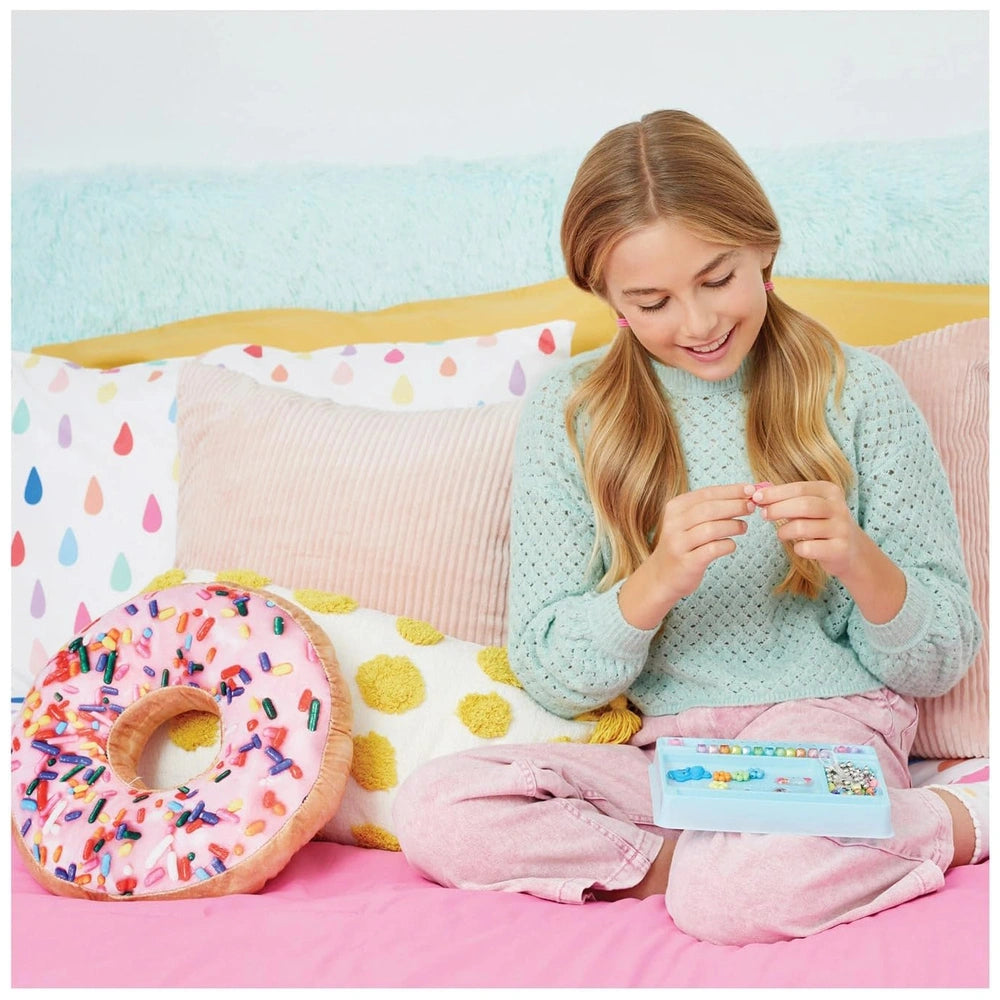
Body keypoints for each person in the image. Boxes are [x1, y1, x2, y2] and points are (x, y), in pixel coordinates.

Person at [392, 110, 987, 945]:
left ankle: (959, 817)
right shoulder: (572, 410)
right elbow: (553, 673)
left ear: (763, 249)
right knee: (437, 806)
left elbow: (939, 658)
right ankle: (733, 861)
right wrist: (653, 583)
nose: (699, 323)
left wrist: (858, 558)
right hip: (672, 766)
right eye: (653, 302)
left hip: (828, 725)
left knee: (736, 899)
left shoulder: (859, 393)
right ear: (608, 297)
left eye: (717, 279)